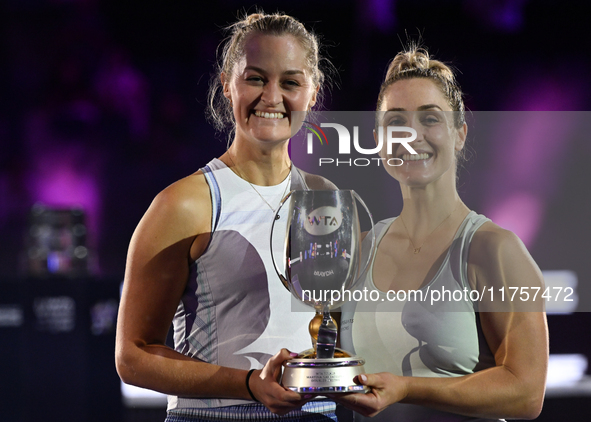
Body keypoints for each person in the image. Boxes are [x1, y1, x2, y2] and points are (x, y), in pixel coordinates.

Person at [115, 12, 339, 421]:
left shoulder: (329, 201)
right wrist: (250, 384)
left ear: (312, 93)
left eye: (290, 82)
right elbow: (133, 356)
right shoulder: (184, 204)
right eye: (255, 78)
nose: (272, 97)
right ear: (226, 84)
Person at [336, 46, 548, 421]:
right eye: (396, 121)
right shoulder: (360, 247)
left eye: (430, 119)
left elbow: (527, 392)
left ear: (460, 133)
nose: (411, 135)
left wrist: (407, 388)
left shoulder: (494, 249)